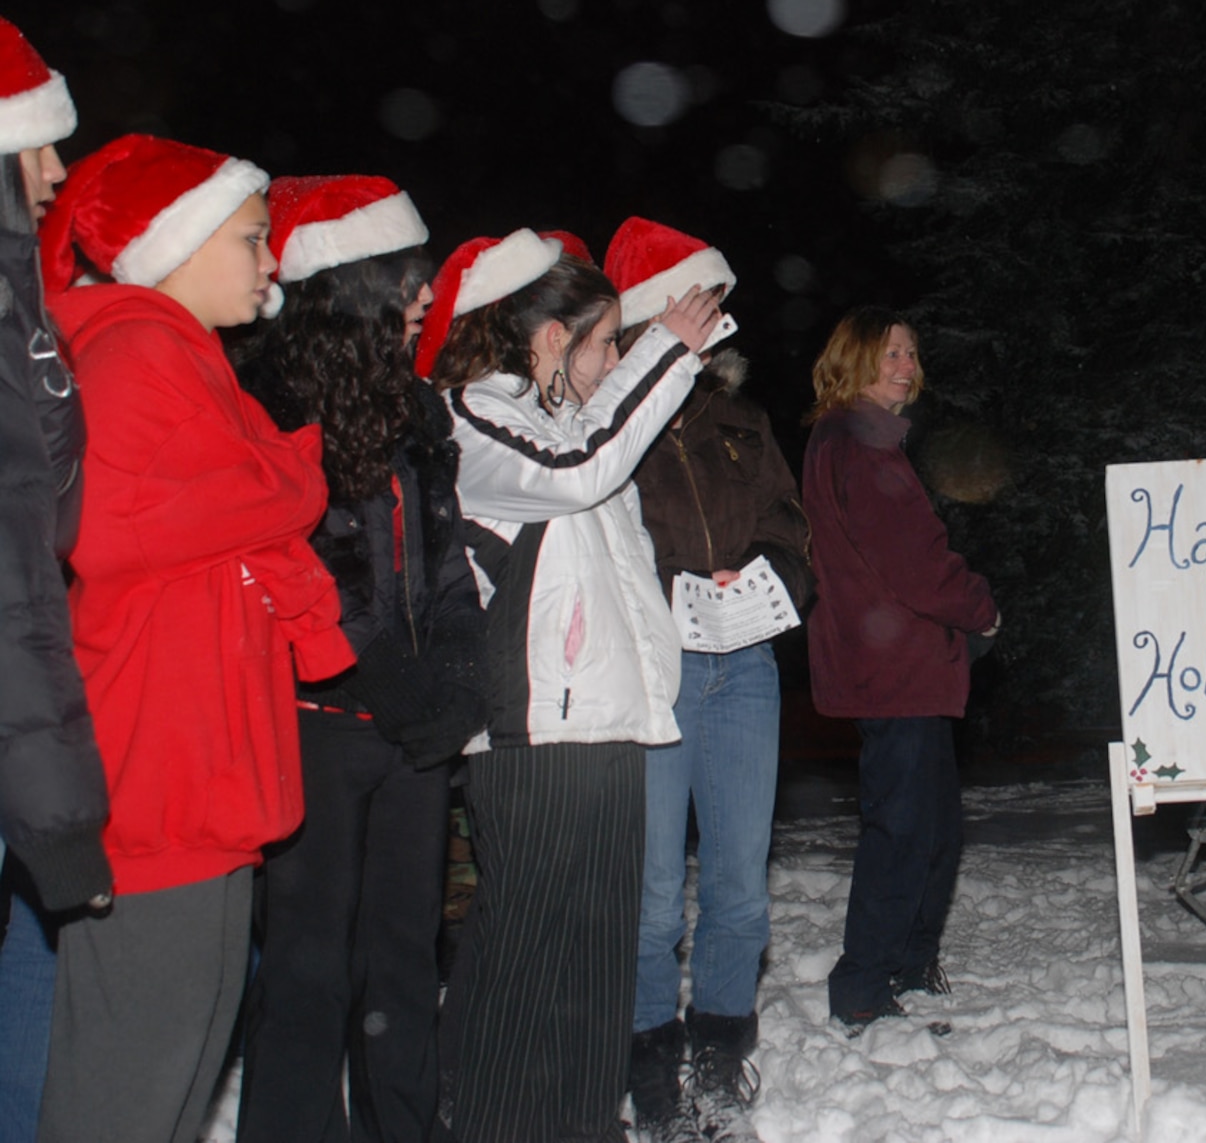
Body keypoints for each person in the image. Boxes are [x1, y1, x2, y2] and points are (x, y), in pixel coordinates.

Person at [36, 133, 355, 1143]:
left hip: (199, 771)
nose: (271, 261)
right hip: (157, 772)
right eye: (252, 238)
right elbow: (128, 524)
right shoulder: (135, 353)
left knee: (178, 1070)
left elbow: (265, 493)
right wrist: (281, 483)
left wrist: (276, 485)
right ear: (173, 245)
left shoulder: (184, 352)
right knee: (132, 1084)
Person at [420, 230, 722, 1143]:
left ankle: (584, 1123)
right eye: (601, 343)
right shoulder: (470, 414)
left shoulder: (569, 422)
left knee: (595, 963)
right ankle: (494, 1125)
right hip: (533, 733)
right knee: (528, 957)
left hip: (607, 723)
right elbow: (575, 470)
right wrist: (666, 353)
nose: (610, 361)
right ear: (549, 338)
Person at [232, 175, 487, 1143]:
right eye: (410, 274)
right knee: (307, 966)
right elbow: (295, 567)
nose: (425, 294)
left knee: (402, 958)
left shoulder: (416, 408)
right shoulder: (267, 398)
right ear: (356, 282)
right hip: (317, 725)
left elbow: (444, 556)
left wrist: (459, 669)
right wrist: (379, 678)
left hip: (411, 733)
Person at [606, 218, 812, 1142]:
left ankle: (721, 1053)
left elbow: (787, 519)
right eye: (704, 303)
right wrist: (673, 589)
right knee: (652, 897)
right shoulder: (616, 418)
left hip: (746, 665)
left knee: (737, 885)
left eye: (721, 304)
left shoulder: (742, 419)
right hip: (655, 671)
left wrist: (765, 571)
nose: (722, 319)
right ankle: (651, 1069)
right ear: (659, 315)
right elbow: (597, 547)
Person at [802, 307, 999, 1033]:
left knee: (934, 821)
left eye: (913, 353)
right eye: (890, 353)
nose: (906, 365)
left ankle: (910, 959)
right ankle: (863, 980)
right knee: (904, 826)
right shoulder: (859, 442)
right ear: (853, 360)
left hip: (899, 665)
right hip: (894, 666)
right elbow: (917, 562)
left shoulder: (854, 437)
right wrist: (981, 607)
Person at [0, 17, 109, 1143]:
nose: (57, 170)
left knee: (39, 959)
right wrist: (59, 806)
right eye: (35, 146)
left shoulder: (18, 309)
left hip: (27, 716)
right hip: (22, 716)